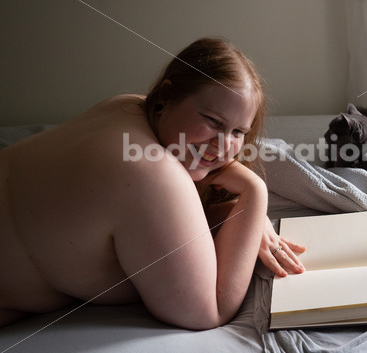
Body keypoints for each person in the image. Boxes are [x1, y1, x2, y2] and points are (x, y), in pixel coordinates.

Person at [0, 37, 306, 330]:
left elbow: (160, 228)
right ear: (165, 97)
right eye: (213, 121)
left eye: (238, 132)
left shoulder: (125, 106)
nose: (224, 146)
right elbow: (210, 310)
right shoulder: (152, 176)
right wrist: (254, 192)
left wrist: (237, 216)